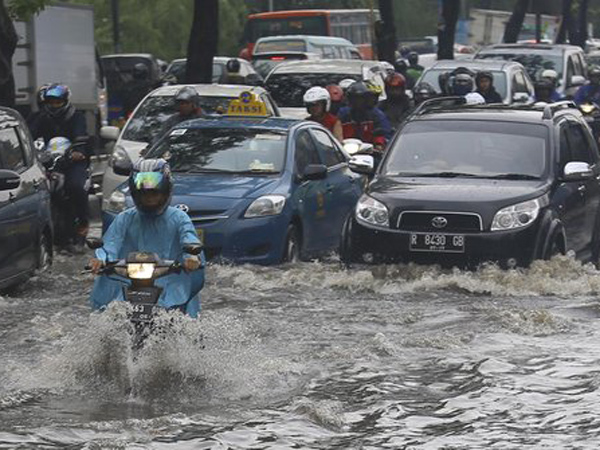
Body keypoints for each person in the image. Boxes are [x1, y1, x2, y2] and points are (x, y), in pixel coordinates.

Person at [88, 159, 205, 318]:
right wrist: (100, 259)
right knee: (111, 320)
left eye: (154, 193)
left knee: (186, 325)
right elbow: (110, 244)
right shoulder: (125, 218)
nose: (149, 198)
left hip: (171, 282)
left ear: (165, 192)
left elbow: (190, 240)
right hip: (129, 283)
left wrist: (191, 258)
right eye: (144, 194)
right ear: (136, 194)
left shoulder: (179, 218)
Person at [29, 83, 91, 248]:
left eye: (58, 102)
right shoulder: (40, 117)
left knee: (75, 186)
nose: (54, 105)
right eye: (51, 102)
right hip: (47, 162)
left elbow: (81, 136)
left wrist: (77, 151)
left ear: (65, 101)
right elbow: (29, 135)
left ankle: (82, 226)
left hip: (72, 162)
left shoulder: (77, 116)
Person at [337, 81, 393, 153]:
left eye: (361, 98)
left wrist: (379, 143)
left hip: (371, 152)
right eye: (355, 98)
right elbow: (335, 131)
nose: (358, 102)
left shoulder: (376, 115)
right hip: (346, 151)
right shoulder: (343, 114)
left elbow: (385, 132)